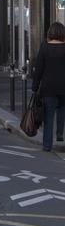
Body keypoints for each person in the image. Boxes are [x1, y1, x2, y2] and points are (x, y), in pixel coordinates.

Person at [31, 21, 65, 152]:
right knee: (62, 110)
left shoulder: (44, 47)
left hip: (48, 87)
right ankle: (60, 133)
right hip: (63, 87)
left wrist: (35, 86)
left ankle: (47, 145)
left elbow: (38, 69)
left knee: (48, 116)